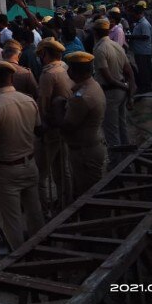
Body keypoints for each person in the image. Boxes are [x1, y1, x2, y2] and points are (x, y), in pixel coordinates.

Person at [0, 61, 44, 249]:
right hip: (30, 164)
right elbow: (39, 130)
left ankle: (18, 260)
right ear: (11, 78)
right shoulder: (28, 100)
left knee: (12, 219)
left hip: (8, 169)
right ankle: (43, 250)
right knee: (35, 212)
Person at [53, 52, 107, 199]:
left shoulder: (82, 97)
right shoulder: (93, 85)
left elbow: (67, 126)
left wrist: (57, 105)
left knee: (88, 196)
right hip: (90, 147)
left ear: (74, 71)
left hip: (85, 153)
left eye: (69, 68)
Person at [35, 38, 73, 212]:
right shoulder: (64, 67)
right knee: (62, 168)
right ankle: (66, 201)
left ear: (45, 53)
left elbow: (43, 104)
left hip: (50, 128)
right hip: (64, 125)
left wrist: (41, 128)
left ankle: (44, 210)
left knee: (41, 173)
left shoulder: (48, 74)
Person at [92, 18, 135, 169]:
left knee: (111, 130)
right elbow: (129, 72)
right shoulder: (117, 46)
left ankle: (116, 165)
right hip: (121, 92)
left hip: (110, 93)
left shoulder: (99, 49)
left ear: (95, 32)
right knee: (122, 127)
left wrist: (123, 87)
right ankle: (126, 161)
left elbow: (107, 78)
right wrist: (128, 91)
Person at [129, 5, 152, 93]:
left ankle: (146, 87)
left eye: (134, 15)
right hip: (140, 51)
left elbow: (146, 36)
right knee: (143, 69)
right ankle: (145, 86)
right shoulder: (140, 22)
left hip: (143, 51)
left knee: (144, 70)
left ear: (138, 14)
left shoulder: (144, 23)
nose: (133, 17)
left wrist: (132, 37)